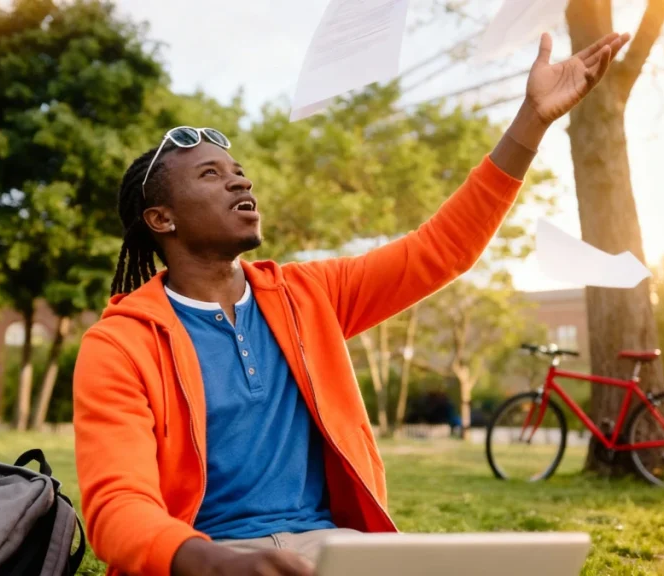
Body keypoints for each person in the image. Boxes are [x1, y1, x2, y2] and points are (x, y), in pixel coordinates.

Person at [73, 31, 630, 576]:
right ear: (161, 219)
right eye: (211, 175)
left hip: (331, 551)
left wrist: (530, 121)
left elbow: (441, 249)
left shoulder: (309, 295)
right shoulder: (120, 345)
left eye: (238, 171)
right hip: (203, 555)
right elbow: (117, 507)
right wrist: (209, 561)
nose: (239, 182)